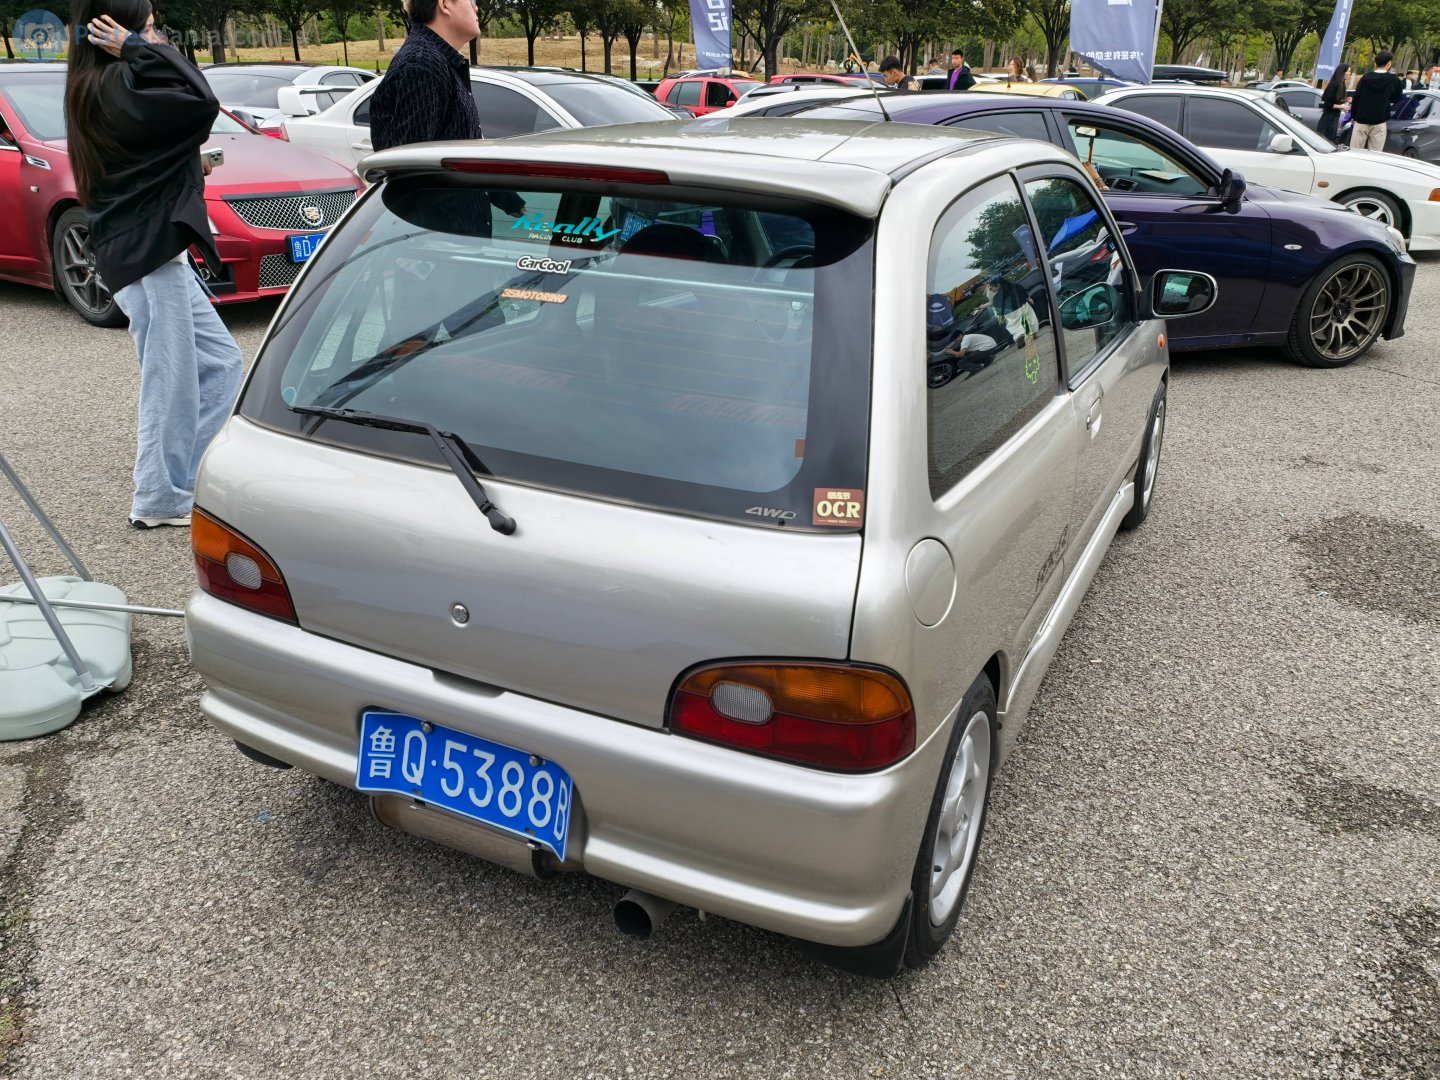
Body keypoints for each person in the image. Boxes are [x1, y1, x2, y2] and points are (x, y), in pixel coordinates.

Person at [68, 0, 243, 529]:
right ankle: (158, 498)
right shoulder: (116, 86)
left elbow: (179, 124)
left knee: (223, 364)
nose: (159, 37)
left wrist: (141, 48)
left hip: (153, 251)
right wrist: (142, 48)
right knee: (170, 379)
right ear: (114, 34)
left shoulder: (111, 87)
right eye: (148, 28)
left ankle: (183, 480)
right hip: (145, 256)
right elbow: (202, 101)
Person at [1350, 51, 1404, 151]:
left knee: (1355, 153)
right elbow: (1397, 99)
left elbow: (1356, 98)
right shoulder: (1394, 80)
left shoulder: (1365, 78)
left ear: (1376, 63)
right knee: (1376, 156)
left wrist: (1354, 116)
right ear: (1389, 63)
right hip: (1379, 121)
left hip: (1361, 120)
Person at [1319, 63, 1351, 144]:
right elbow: (1328, 104)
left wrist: (1345, 100)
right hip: (1328, 119)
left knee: (1331, 140)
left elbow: (1336, 100)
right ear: (1342, 72)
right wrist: (1342, 106)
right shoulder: (1335, 84)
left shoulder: (1342, 85)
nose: (1349, 73)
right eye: (1348, 71)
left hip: (1334, 117)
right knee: (1327, 141)